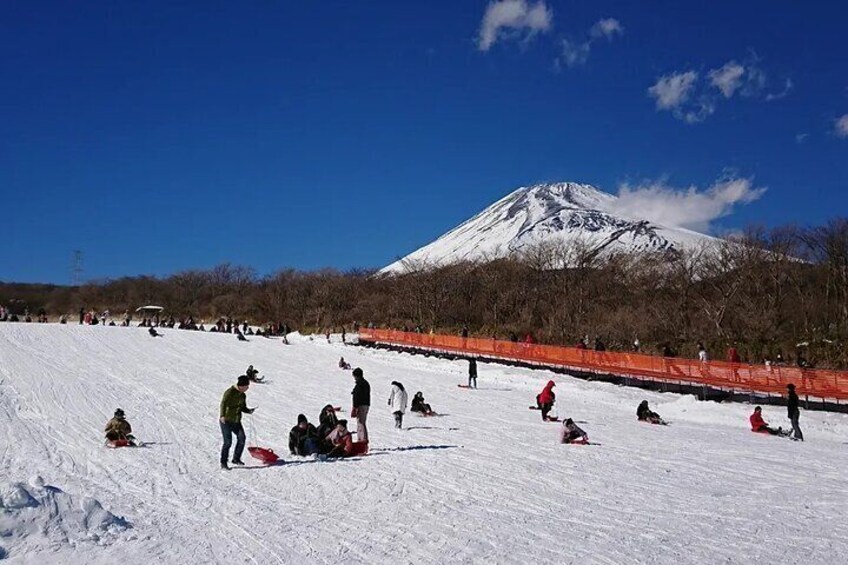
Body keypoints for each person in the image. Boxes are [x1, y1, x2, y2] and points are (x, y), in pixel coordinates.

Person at [219, 375, 255, 470]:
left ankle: (236, 459)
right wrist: (222, 415)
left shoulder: (243, 395)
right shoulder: (230, 392)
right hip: (226, 421)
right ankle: (223, 463)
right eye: (247, 386)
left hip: (236, 421)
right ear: (242, 385)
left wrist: (249, 411)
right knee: (228, 442)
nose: (247, 388)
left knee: (242, 438)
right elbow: (223, 403)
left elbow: (242, 407)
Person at [351, 368, 370, 443]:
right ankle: (361, 439)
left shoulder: (360, 384)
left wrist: (355, 407)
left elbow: (357, 396)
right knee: (361, 422)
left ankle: (363, 439)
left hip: (361, 405)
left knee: (361, 423)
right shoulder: (365, 383)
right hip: (366, 404)